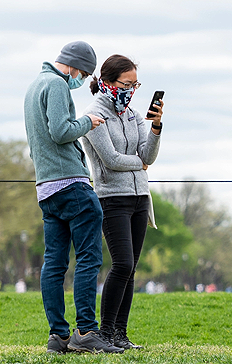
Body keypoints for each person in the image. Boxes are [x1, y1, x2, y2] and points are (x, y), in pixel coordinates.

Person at [24, 41, 122, 354]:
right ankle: (86, 331)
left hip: (47, 188)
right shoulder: (56, 84)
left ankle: (59, 336)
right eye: (84, 73)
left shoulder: (34, 86)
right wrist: (88, 123)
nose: (81, 80)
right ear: (74, 66)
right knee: (89, 258)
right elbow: (60, 131)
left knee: (53, 263)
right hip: (71, 184)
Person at [80, 54, 163, 350]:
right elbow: (111, 160)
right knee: (122, 264)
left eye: (135, 84)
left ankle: (120, 335)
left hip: (141, 197)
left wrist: (155, 129)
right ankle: (105, 332)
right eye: (126, 83)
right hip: (112, 199)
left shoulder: (133, 115)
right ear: (107, 83)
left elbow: (149, 156)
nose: (131, 89)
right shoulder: (94, 115)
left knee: (131, 268)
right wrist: (139, 163)